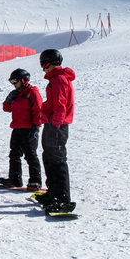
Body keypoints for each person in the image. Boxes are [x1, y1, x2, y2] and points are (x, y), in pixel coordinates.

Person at [34, 49, 76, 213]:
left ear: (47, 63)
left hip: (57, 126)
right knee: (48, 158)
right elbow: (52, 103)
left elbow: (60, 104)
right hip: (51, 124)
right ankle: (53, 193)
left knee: (58, 161)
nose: (42, 67)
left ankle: (63, 199)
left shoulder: (58, 79)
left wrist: (54, 123)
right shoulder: (55, 79)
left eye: (43, 63)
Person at [1, 68, 43, 189]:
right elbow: (6, 108)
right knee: (14, 154)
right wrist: (9, 98)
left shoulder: (32, 92)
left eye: (15, 81)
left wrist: (35, 128)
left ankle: (35, 181)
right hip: (17, 128)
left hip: (29, 129)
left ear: (23, 80)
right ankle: (15, 179)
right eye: (11, 82)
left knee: (30, 155)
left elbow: (38, 110)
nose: (13, 84)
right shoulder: (16, 93)